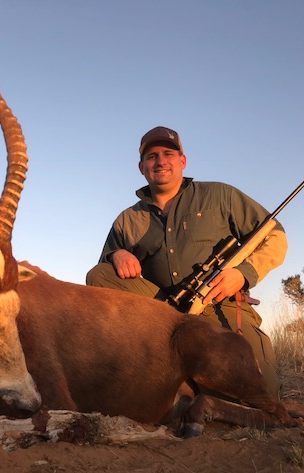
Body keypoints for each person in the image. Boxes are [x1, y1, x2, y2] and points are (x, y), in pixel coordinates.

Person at [85, 126, 287, 399]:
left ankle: (185, 383)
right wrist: (115, 255)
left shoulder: (220, 195)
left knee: (262, 396)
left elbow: (274, 235)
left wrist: (242, 274)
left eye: (168, 154)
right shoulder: (127, 220)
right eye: (151, 156)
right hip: (163, 314)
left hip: (220, 303)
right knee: (99, 274)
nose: (160, 161)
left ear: (182, 161)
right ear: (141, 167)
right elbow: (102, 279)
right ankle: (150, 361)